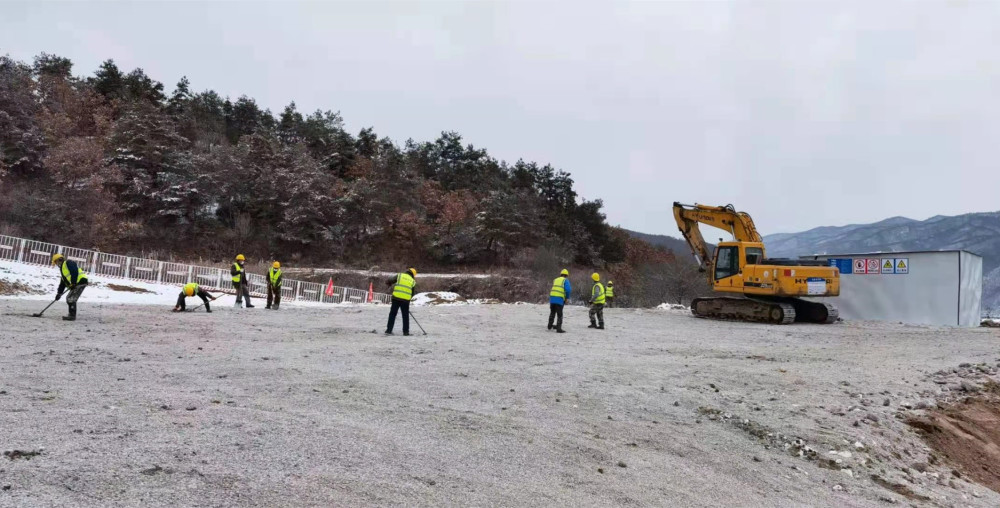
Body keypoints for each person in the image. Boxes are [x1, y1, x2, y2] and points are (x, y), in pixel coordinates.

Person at [52, 253, 88, 321]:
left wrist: (73, 283)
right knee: (70, 298)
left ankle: (72, 316)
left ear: (59, 260)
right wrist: (59, 293)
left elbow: (74, 271)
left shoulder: (68, 263)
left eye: (56, 262)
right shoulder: (62, 269)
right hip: (77, 283)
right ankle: (71, 315)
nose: (56, 264)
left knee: (70, 298)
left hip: (80, 281)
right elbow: (62, 283)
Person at [385, 267, 416, 336]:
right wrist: (407, 301)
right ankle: (406, 332)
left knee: (392, 314)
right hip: (405, 301)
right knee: (405, 316)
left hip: (396, 298)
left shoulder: (400, 275)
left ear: (407, 271)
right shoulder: (413, 281)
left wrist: (388, 283)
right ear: (413, 275)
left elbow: (390, 280)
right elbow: (412, 293)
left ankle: (388, 330)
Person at [548, 268, 571, 333]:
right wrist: (567, 298)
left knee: (552, 312)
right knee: (559, 314)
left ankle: (549, 325)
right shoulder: (565, 280)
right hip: (559, 299)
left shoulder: (555, 280)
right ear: (567, 275)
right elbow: (568, 290)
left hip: (552, 298)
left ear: (561, 274)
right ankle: (559, 328)